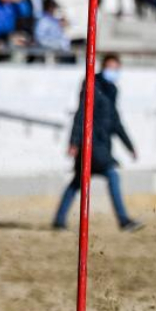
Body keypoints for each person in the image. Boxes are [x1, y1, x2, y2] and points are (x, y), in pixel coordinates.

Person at [53, 54, 142, 233]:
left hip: (103, 143)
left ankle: (59, 220)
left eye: (116, 68)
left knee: (77, 181)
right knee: (112, 175)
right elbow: (81, 114)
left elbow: (115, 121)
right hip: (90, 144)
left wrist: (129, 145)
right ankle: (123, 220)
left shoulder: (113, 90)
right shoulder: (91, 84)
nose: (114, 72)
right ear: (103, 67)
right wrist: (74, 142)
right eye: (111, 67)